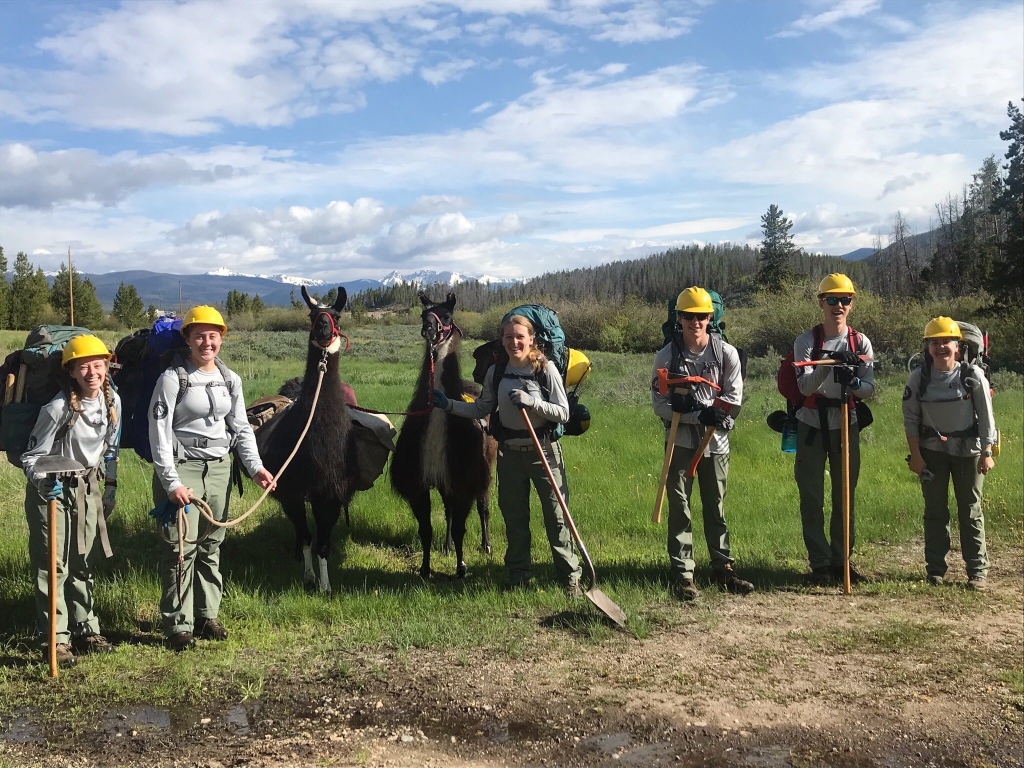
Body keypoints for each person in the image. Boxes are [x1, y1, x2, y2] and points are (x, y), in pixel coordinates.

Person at [149, 306, 275, 651]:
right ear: (187, 339)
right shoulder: (172, 379)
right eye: (200, 335)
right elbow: (158, 433)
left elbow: (240, 429)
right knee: (180, 548)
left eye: (213, 335)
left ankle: (206, 615)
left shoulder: (230, 379)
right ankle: (178, 625)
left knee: (211, 545)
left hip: (219, 470)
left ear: (221, 338)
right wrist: (171, 482)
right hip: (183, 468)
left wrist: (256, 468)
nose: (207, 342)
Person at [431, 315, 583, 597]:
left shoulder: (544, 369)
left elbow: (563, 412)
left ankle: (570, 578)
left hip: (544, 452)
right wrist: (450, 404)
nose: (514, 342)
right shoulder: (496, 373)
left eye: (519, 337)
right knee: (514, 518)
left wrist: (532, 402)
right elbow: (481, 409)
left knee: (556, 518)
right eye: (508, 337)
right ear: (502, 340)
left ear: (531, 339)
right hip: (510, 454)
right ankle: (518, 576)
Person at [21, 335, 121, 666]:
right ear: (72, 372)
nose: (92, 372)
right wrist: (41, 483)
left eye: (98, 364)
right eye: (84, 366)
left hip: (87, 488)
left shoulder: (112, 403)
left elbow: (110, 449)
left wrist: (110, 486)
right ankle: (56, 638)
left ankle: (86, 628)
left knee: (82, 560)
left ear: (107, 366)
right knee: (54, 565)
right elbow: (31, 457)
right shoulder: (57, 408)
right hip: (50, 492)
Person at [651, 287, 752, 601]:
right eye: (688, 316)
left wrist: (709, 414)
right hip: (678, 442)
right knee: (680, 508)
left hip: (716, 443)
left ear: (711, 317)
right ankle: (683, 574)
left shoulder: (726, 353)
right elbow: (659, 403)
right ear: (678, 318)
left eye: (702, 316)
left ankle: (723, 568)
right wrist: (692, 414)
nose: (695, 322)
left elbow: (732, 398)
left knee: (716, 506)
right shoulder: (667, 355)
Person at [903, 317, 996, 591]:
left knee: (970, 511)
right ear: (927, 347)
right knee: (934, 511)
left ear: (958, 346)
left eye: (946, 341)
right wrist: (916, 456)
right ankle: (935, 569)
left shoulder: (972, 376)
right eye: (935, 342)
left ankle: (977, 572)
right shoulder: (918, 378)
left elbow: (986, 417)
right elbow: (910, 419)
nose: (941, 347)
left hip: (969, 452)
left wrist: (987, 451)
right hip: (932, 454)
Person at [793, 274, 875, 585]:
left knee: (845, 495)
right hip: (811, 423)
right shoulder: (806, 341)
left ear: (851, 304)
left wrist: (851, 380)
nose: (838, 306)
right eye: (831, 299)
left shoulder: (860, 342)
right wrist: (828, 363)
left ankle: (843, 562)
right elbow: (803, 385)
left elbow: (868, 388)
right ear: (820, 303)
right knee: (811, 496)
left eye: (845, 300)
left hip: (846, 422)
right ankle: (820, 563)